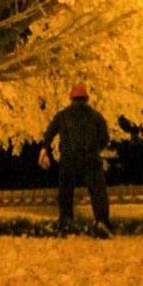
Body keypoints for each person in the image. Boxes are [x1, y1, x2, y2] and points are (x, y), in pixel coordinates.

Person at [41, 84, 112, 236]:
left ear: (71, 99)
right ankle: (102, 222)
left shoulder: (63, 115)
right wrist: (96, 148)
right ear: (86, 99)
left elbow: (49, 133)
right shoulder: (95, 116)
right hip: (91, 159)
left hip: (69, 159)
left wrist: (45, 148)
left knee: (65, 192)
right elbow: (105, 137)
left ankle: (66, 222)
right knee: (98, 192)